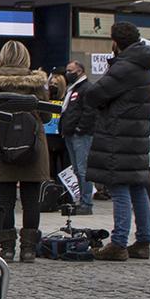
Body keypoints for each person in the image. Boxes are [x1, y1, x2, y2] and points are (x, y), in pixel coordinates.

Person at [84, 21, 150, 262]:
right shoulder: (143, 66)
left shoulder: (125, 67)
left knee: (119, 188)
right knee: (138, 188)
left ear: (115, 42)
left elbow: (95, 94)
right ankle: (144, 241)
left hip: (118, 135)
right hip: (136, 137)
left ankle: (118, 243)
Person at [0, 39, 51, 262]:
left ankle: (7, 247)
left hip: (1, 145)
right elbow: (47, 116)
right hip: (33, 147)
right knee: (31, 200)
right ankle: (29, 249)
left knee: (4, 200)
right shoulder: (36, 83)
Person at [55, 60, 95, 215]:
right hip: (71, 133)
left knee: (83, 169)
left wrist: (80, 128)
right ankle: (81, 200)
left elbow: (89, 111)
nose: (67, 73)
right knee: (77, 170)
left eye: (70, 70)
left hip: (81, 135)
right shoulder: (73, 88)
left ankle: (87, 203)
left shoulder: (86, 88)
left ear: (80, 71)